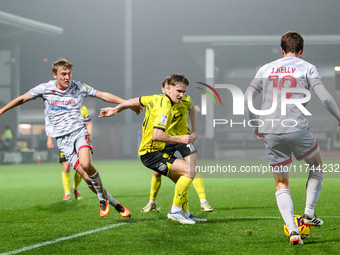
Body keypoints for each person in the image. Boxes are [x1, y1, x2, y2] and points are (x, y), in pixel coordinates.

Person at [0, 58, 141, 218]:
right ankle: (116, 204)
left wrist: (128, 103)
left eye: (69, 74)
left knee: (86, 164)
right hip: (63, 141)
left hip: (79, 133)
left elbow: (103, 95)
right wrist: (2, 110)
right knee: (88, 179)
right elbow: (22, 98)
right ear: (55, 75)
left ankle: (102, 199)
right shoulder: (45, 89)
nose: (67, 77)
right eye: (63, 74)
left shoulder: (78, 87)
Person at [244, 31, 340, 245]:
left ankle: (294, 231)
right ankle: (308, 212)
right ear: (301, 50)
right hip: (297, 127)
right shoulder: (307, 67)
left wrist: (254, 123)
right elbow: (325, 99)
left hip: (270, 129)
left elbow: (248, 96)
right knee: (316, 165)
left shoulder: (266, 68)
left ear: (282, 49)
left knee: (281, 182)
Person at [100, 73, 207, 224]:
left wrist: (116, 109)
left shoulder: (154, 98)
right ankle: (175, 211)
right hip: (151, 153)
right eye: (179, 91)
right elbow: (157, 135)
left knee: (182, 179)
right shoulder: (165, 107)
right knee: (190, 171)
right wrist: (180, 139)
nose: (182, 95)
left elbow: (132, 101)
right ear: (168, 89)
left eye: (184, 92)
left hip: (155, 151)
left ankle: (185, 213)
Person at [141, 77, 213, 213]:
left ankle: (203, 201)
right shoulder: (161, 103)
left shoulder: (185, 100)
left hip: (183, 137)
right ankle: (152, 201)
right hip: (167, 139)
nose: (181, 94)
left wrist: (194, 131)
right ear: (165, 89)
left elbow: (192, 109)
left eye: (182, 91)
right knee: (157, 172)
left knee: (193, 168)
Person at [47, 105, 93, 201]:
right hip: (65, 141)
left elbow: (88, 124)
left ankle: (75, 188)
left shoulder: (83, 108)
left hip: (79, 141)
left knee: (81, 168)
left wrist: (88, 137)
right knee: (66, 166)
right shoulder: (62, 106)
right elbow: (52, 123)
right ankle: (67, 193)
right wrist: (49, 138)